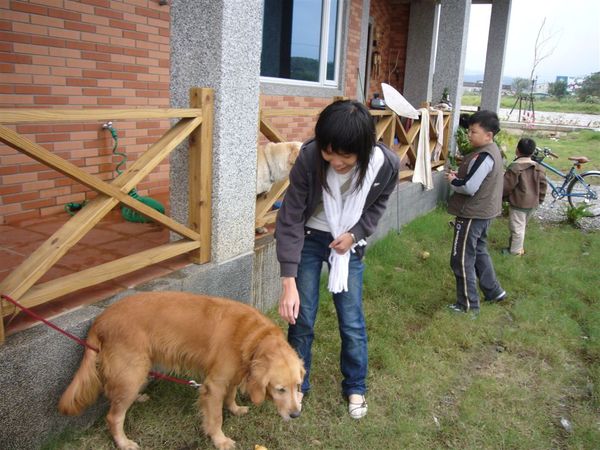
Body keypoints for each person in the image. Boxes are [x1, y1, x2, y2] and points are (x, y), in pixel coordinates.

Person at [275, 100, 400, 419]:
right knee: (301, 318)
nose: (335, 161)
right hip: (309, 239)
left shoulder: (385, 165)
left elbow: (378, 204)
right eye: (329, 152)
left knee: (352, 320)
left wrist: (356, 232)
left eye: (345, 155)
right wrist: (288, 281)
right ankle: (298, 385)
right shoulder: (310, 157)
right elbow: (289, 217)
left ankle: (356, 385)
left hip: (348, 244)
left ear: (364, 148)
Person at [445, 110, 506, 315]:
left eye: (473, 131)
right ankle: (494, 291)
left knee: (461, 258)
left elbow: (470, 187)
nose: (469, 135)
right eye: (469, 130)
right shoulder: (493, 151)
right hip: (485, 212)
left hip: (472, 214)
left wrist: (454, 181)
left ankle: (468, 305)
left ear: (488, 135)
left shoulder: (484, 155)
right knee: (479, 251)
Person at [502, 137, 547, 255]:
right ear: (532, 152)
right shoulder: (539, 168)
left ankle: (515, 252)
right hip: (533, 203)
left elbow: (506, 186)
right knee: (521, 226)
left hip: (519, 203)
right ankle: (515, 246)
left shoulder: (515, 167)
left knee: (517, 229)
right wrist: (540, 199)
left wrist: (502, 197)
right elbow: (543, 186)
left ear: (517, 150)